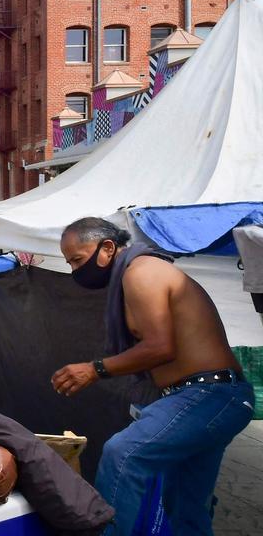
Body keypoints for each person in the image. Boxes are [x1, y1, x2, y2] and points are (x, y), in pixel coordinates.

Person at [51, 217, 253, 534]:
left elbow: (160, 347)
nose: (76, 271)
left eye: (77, 260)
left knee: (123, 454)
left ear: (106, 248)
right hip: (217, 396)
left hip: (208, 394)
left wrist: (94, 369)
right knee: (185, 505)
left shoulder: (141, 272)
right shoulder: (135, 273)